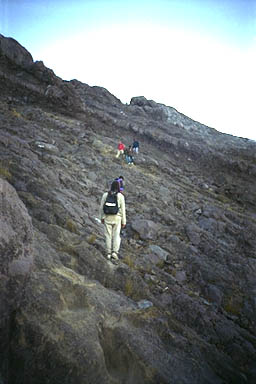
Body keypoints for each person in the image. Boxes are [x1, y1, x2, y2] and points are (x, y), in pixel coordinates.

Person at [99, 180, 126, 262]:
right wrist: (123, 222)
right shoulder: (120, 196)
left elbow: (101, 207)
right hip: (117, 218)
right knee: (116, 235)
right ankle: (115, 252)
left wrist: (102, 217)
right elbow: (123, 210)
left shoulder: (105, 195)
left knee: (108, 235)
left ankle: (108, 253)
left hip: (107, 217)